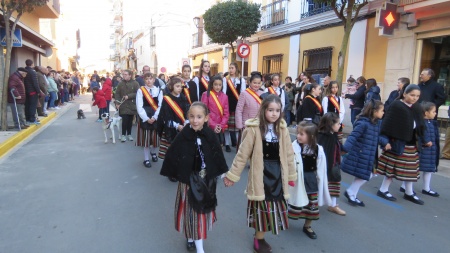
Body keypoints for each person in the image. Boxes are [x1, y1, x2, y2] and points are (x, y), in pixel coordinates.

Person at [223, 94, 296, 253]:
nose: (274, 113)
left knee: (274, 208)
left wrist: (291, 175)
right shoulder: (253, 129)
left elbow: (289, 154)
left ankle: (261, 236)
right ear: (263, 110)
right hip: (260, 176)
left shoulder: (282, 129)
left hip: (277, 176)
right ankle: (259, 238)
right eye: (270, 110)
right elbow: (242, 154)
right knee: (262, 209)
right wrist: (232, 175)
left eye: (277, 110)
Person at [160, 102, 228, 253]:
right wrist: (174, 171)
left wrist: (223, 173)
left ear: (206, 118)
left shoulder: (209, 135)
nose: (195, 120)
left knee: (199, 213)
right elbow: (173, 152)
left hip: (205, 181)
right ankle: (195, 244)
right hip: (188, 183)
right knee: (190, 212)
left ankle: (194, 240)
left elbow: (217, 154)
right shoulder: (184, 134)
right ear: (187, 117)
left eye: (199, 117)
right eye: (192, 116)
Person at [377, 84, 426, 205]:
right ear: (404, 94)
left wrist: (423, 139)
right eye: (412, 95)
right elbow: (388, 124)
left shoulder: (417, 107)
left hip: (412, 143)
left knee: (411, 170)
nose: (415, 98)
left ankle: (409, 192)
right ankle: (383, 189)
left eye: (417, 96)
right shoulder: (397, 105)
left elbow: (420, 124)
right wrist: (386, 141)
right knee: (391, 169)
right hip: (397, 141)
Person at [288, 121, 331, 240]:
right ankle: (283, 219)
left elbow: (321, 166)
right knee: (291, 200)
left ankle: (307, 226)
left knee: (311, 204)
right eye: (298, 133)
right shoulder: (293, 146)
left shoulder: (318, 149)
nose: (298, 136)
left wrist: (321, 180)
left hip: (310, 180)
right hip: (296, 179)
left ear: (311, 136)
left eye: (302, 134)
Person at [342, 100, 385, 207]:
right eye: (382, 110)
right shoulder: (363, 123)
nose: (383, 112)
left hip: (369, 154)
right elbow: (353, 136)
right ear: (374, 111)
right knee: (366, 174)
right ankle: (351, 193)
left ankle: (352, 193)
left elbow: (377, 136)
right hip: (361, 153)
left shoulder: (376, 123)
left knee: (368, 174)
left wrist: (385, 142)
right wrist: (345, 148)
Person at [398, 102, 439, 198]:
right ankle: (405, 186)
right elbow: (420, 136)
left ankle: (426, 188)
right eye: (433, 111)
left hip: (430, 151)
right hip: (423, 150)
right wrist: (425, 142)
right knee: (413, 170)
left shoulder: (432, 123)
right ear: (425, 113)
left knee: (429, 170)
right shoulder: (421, 124)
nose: (435, 113)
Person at [156, 77, 190, 163]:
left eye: (181, 86)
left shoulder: (183, 97)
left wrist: (186, 122)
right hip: (171, 128)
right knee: (171, 152)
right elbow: (165, 117)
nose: (180, 88)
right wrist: (177, 125)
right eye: (177, 86)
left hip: (183, 128)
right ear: (171, 86)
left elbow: (187, 112)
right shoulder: (167, 99)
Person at [317, 113, 345, 216]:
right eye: (338, 123)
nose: (340, 125)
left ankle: (333, 205)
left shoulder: (334, 135)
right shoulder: (323, 137)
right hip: (325, 165)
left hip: (334, 164)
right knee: (319, 184)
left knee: (335, 182)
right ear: (330, 124)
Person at [136, 73, 162, 168]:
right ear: (144, 80)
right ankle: (146, 159)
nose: (149, 81)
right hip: (145, 117)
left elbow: (160, 105)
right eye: (147, 79)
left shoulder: (158, 90)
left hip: (155, 116)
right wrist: (146, 118)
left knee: (155, 139)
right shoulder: (141, 90)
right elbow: (139, 106)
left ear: (154, 80)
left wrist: (155, 117)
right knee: (146, 140)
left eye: (151, 79)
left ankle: (153, 153)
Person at [222, 62, 246, 152]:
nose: (230, 70)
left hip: (237, 106)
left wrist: (242, 106)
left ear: (236, 68)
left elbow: (242, 93)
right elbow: (224, 92)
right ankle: (227, 144)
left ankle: (237, 144)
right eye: (230, 68)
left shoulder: (241, 80)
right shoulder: (226, 79)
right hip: (228, 105)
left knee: (237, 127)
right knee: (227, 127)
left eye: (232, 68)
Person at [201, 75, 229, 146]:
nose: (218, 87)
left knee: (220, 147)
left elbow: (226, 114)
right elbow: (203, 112)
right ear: (212, 84)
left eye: (220, 85)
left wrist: (221, 125)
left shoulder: (225, 97)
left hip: (220, 127)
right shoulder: (206, 95)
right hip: (209, 125)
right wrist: (213, 125)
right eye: (215, 84)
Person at [114, 69, 140, 142]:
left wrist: (129, 96)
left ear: (130, 75)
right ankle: (123, 135)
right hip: (123, 104)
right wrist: (117, 103)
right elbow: (117, 93)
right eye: (123, 74)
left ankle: (129, 134)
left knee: (130, 120)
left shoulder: (135, 83)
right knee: (124, 120)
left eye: (125, 74)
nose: (124, 76)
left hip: (132, 105)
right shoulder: (121, 83)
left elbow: (138, 93)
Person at [24, 59, 41, 125]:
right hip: (33, 91)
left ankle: (27, 118)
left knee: (27, 105)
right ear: (32, 64)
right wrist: (38, 91)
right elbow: (35, 83)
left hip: (26, 91)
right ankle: (32, 118)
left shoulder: (25, 71)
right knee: (33, 105)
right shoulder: (33, 72)